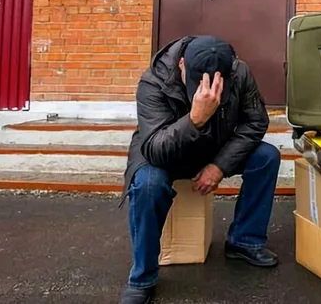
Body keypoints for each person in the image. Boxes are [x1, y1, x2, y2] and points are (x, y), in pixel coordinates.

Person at [120, 35, 280, 304]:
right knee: (148, 185)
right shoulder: (154, 82)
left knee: (266, 157)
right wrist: (195, 119)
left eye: (217, 85)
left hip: (215, 146)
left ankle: (244, 240)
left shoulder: (239, 72)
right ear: (181, 64)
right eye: (197, 84)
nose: (206, 91)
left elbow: (255, 122)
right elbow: (155, 147)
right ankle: (142, 277)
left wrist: (219, 166)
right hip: (164, 152)